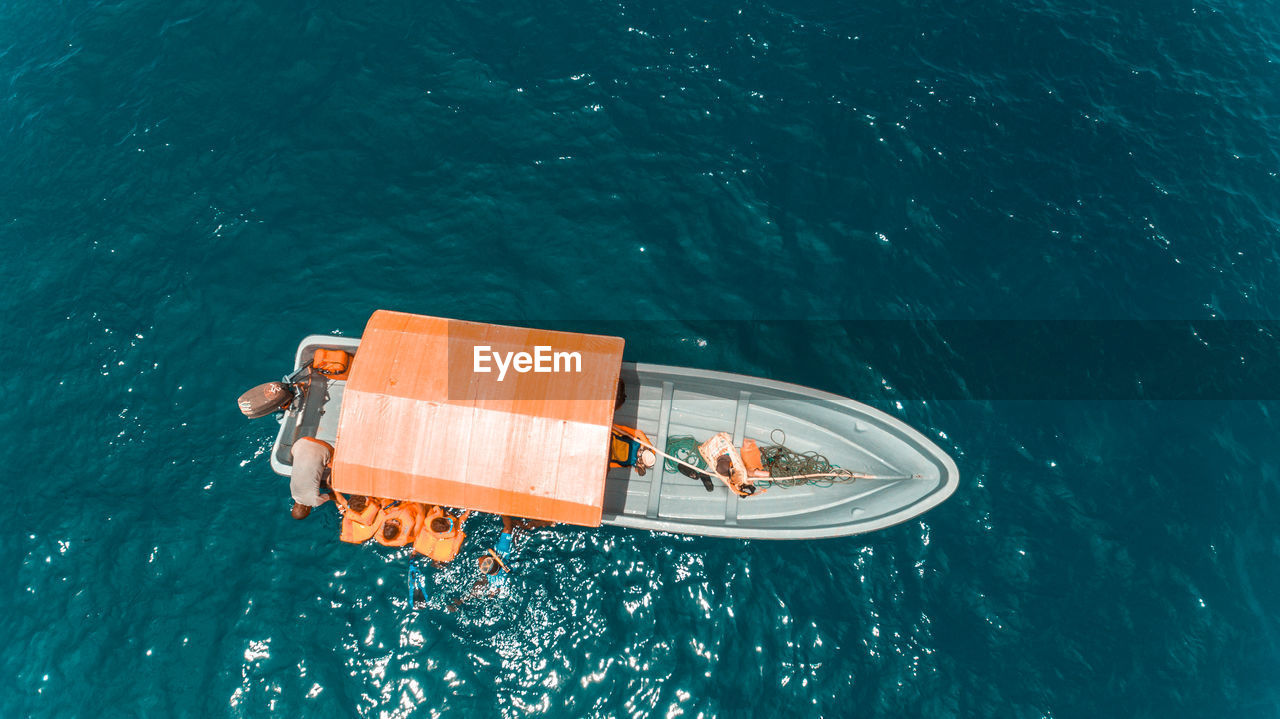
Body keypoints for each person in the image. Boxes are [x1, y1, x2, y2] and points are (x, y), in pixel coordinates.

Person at [289, 437, 334, 519]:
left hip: (323, 447)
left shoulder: (315, 502)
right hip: (300, 442)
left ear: (307, 509)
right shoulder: (293, 494)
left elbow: (333, 496)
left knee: (335, 464)